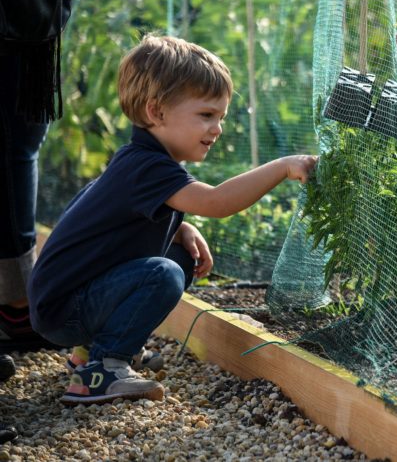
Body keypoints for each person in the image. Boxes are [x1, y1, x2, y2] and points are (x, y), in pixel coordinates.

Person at [27, 34, 318, 406]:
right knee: (164, 273)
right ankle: (103, 369)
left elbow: (112, 226)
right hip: (64, 311)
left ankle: (90, 350)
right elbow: (218, 201)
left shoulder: (140, 160)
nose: (218, 129)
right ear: (156, 112)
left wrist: (180, 228)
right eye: (206, 115)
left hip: (68, 299)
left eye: (221, 117)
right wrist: (282, 167)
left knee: (181, 259)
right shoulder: (147, 167)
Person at [0, 0, 71, 354]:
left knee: (19, 143)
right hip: (18, 12)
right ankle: (16, 303)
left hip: (25, 8)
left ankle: (16, 300)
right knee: (12, 149)